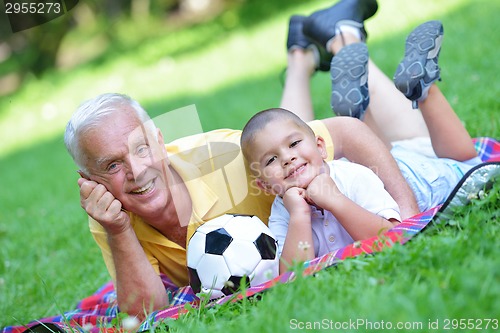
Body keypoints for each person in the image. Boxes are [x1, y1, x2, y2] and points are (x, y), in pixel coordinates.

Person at [240, 17, 482, 272]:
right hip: (390, 161)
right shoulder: (283, 210)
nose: (287, 159)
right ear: (264, 186)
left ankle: (424, 89)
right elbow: (290, 275)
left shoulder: (353, 177)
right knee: (410, 146)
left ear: (321, 147)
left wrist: (335, 201)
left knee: (467, 164)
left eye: (295, 144)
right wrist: (299, 214)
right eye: (271, 160)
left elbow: (389, 236)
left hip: (422, 181)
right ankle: (361, 110)